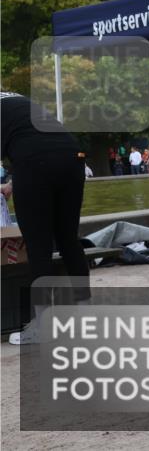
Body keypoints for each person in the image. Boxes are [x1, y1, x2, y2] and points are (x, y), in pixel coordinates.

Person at [1, 91, 89, 344]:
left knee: (38, 245)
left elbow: (30, 151)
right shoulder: (15, 99)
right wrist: (13, 184)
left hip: (34, 162)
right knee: (68, 239)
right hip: (72, 156)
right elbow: (35, 139)